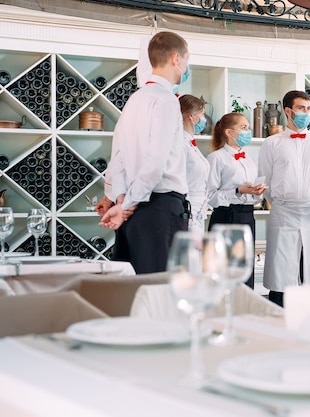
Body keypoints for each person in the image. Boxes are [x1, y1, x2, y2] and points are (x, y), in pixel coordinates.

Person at [99, 31, 191, 274]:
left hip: (133, 213)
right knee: (162, 292)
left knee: (135, 292)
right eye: (186, 59)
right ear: (175, 59)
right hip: (160, 211)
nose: (186, 66)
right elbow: (155, 162)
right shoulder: (167, 100)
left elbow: (116, 157)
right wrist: (126, 202)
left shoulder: (134, 99)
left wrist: (121, 199)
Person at [258, 90, 310, 306]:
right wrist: (281, 200)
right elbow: (266, 179)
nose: (306, 113)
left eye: (309, 109)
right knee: (281, 271)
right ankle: (277, 316)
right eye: (301, 108)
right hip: (282, 211)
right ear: (288, 111)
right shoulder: (271, 143)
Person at [206, 112, 265, 289]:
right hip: (226, 217)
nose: (248, 131)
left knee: (245, 269)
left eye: (248, 127)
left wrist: (257, 192)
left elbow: (252, 195)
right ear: (229, 132)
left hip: (248, 216)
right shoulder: (216, 158)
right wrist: (237, 191)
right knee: (225, 270)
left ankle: (244, 310)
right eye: (244, 128)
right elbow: (210, 196)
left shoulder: (250, 159)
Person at [179, 94, 211, 235]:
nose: (204, 119)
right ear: (192, 117)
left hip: (199, 211)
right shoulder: (181, 144)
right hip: (187, 209)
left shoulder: (191, 144)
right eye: (202, 114)